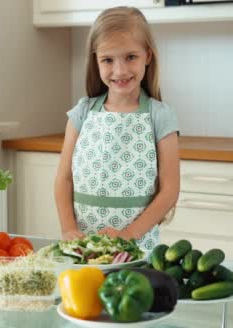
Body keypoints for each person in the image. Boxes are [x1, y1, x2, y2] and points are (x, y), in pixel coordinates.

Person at [54, 6, 180, 253]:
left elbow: (169, 190)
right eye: (108, 60)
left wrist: (126, 237)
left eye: (131, 57)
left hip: (136, 248)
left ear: (148, 56)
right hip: (83, 248)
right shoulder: (82, 113)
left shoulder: (160, 116)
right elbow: (63, 179)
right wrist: (69, 230)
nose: (120, 70)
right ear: (96, 61)